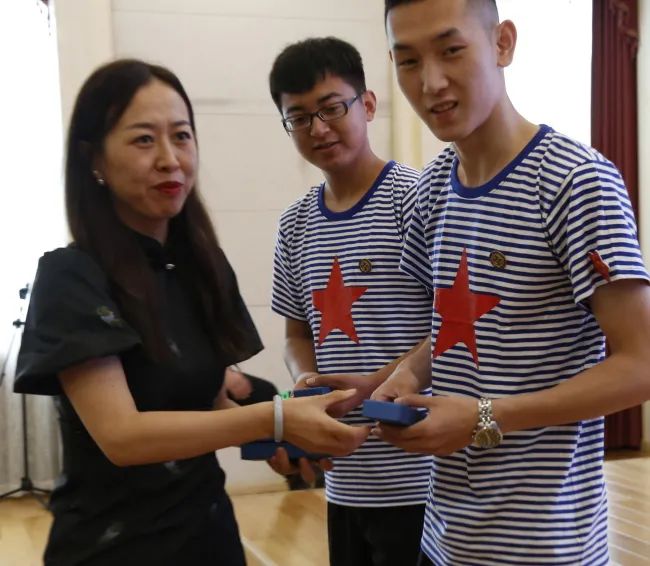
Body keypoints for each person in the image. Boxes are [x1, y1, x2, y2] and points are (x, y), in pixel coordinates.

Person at [13, 58, 369, 566]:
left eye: (181, 136)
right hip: (112, 548)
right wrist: (274, 419)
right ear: (94, 159)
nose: (169, 159)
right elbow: (122, 436)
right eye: (143, 140)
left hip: (207, 534)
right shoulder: (70, 276)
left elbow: (210, 401)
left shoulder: (201, 266)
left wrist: (285, 432)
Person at [373, 1, 650, 565]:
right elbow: (456, 328)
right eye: (408, 61)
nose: (431, 82)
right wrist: (407, 374)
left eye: (451, 50)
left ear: (502, 43)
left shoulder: (576, 182)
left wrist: (483, 416)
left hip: (545, 547)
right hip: (444, 538)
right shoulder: (431, 190)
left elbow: (641, 363)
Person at [268, 37, 434, 566]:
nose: (318, 128)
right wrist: (306, 384)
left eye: (332, 108)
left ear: (367, 104)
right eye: (298, 117)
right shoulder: (294, 225)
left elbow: (453, 329)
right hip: (343, 479)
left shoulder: (419, 199)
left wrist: (374, 385)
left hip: (422, 478)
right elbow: (296, 334)